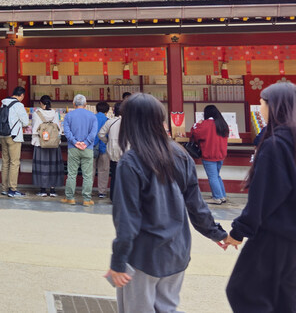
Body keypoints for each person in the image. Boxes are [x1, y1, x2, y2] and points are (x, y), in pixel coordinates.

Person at [106, 93, 228, 312]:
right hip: (177, 251)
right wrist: (217, 234)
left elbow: (127, 219)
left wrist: (118, 261)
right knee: (168, 308)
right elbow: (196, 205)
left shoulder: (131, 162)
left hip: (143, 255)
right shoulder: (180, 155)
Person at [224, 82, 296, 312]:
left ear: (275, 107)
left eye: (262, 103)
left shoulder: (275, 145)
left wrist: (239, 231)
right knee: (285, 295)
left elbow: (263, 198)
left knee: (243, 290)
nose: (260, 108)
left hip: (274, 234)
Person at [62, 94, 98, 206]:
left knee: (72, 174)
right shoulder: (92, 116)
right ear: (85, 104)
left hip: (73, 148)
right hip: (87, 149)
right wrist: (86, 143)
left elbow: (67, 132)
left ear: (73, 104)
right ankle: (87, 199)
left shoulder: (68, 116)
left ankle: (70, 198)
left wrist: (75, 142)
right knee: (87, 175)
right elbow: (93, 133)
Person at [189, 104, 230, 205]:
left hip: (209, 154)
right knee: (216, 175)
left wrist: (197, 123)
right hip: (221, 154)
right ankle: (222, 195)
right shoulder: (223, 124)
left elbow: (195, 133)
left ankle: (217, 197)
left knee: (212, 176)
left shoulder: (205, 124)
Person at [0, 87, 30, 197]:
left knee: (5, 162)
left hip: (3, 135)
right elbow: (26, 122)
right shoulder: (19, 105)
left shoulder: (3, 103)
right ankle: (12, 189)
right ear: (21, 95)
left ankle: (4, 188)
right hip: (14, 136)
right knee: (14, 162)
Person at [31, 95, 62, 197]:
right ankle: (52, 190)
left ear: (41, 103)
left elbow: (34, 129)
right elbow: (59, 130)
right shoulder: (55, 113)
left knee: (42, 166)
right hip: (54, 144)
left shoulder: (36, 114)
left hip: (40, 143)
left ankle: (43, 190)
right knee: (53, 167)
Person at [98, 102, 123, 200]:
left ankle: (113, 197)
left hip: (112, 152)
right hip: (126, 152)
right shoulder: (130, 122)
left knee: (114, 175)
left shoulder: (110, 122)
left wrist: (108, 141)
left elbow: (101, 134)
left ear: (113, 110)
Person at [94, 101, 111, 199]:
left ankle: (87, 191)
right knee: (103, 170)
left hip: (91, 148)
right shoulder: (108, 120)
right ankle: (102, 192)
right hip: (104, 148)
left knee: (90, 171)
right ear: (107, 111)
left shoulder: (92, 119)